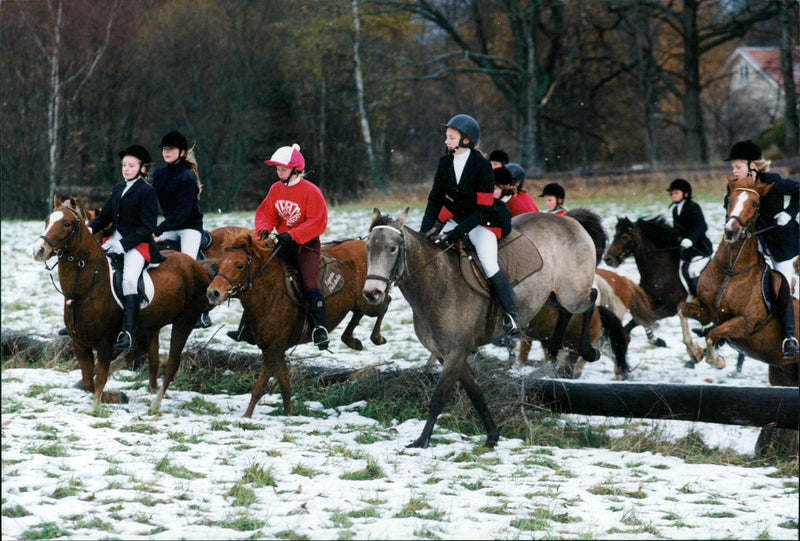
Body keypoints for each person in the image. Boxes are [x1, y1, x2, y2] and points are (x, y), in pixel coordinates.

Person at [419, 114, 520, 336]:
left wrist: (457, 233)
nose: (446, 142)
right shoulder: (444, 162)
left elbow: (483, 209)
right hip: (454, 218)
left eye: (451, 137)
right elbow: (435, 198)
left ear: (466, 140)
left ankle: (511, 315)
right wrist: (424, 231)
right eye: (447, 137)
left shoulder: (482, 166)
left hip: (480, 221)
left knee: (488, 262)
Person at [227, 143, 330, 349]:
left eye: (282, 168)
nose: (278, 172)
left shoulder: (311, 191)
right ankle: (246, 327)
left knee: (309, 284)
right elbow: (266, 214)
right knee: (258, 275)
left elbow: (317, 221)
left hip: (306, 245)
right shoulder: (275, 189)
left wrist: (292, 235)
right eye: (277, 168)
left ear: (295, 170)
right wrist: (264, 229)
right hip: (282, 242)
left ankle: (320, 329)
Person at [724, 139, 799, 358]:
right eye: (733, 167)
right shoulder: (737, 186)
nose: (734, 171)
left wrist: (790, 213)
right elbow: (728, 206)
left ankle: (789, 338)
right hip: (757, 245)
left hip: (784, 247)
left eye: (738, 166)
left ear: (752, 166)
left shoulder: (773, 181)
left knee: (782, 287)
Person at [87, 144, 165, 350]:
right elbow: (105, 215)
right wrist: (89, 228)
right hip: (115, 239)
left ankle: (129, 333)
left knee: (129, 280)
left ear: (142, 169)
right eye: (124, 165)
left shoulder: (147, 191)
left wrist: (124, 244)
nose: (126, 169)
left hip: (137, 245)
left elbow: (148, 226)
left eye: (131, 165)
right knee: (94, 271)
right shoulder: (118, 187)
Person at [152, 130, 211, 328]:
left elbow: (182, 213)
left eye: (171, 149)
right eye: (165, 149)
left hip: (189, 227)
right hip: (170, 225)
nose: (167, 152)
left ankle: (201, 312)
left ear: (182, 152)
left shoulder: (187, 177)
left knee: (188, 264)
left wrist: (159, 229)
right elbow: (151, 200)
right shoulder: (159, 174)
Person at [667, 178, 712, 298]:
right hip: (685, 251)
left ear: (686, 194)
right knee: (680, 272)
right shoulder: (675, 210)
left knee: (693, 271)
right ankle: (689, 294)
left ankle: (700, 297)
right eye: (672, 193)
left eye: (676, 193)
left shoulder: (693, 207)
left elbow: (702, 227)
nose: (673, 196)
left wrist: (690, 240)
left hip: (700, 248)